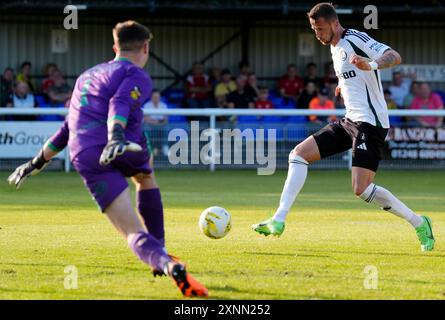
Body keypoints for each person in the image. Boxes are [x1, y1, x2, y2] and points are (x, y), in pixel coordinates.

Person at [7, 20, 208, 298]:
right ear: (146, 47)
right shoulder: (136, 73)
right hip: (123, 144)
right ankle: (161, 251)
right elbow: (120, 102)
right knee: (146, 175)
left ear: (115, 47)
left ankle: (166, 264)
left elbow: (67, 128)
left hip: (87, 152)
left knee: (132, 231)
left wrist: (36, 162)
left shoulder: (85, 77)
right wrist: (115, 136)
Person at [251, 3, 435, 252]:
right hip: (350, 120)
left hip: (370, 124)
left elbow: (394, 55)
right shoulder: (335, 48)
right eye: (314, 29)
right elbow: (351, 76)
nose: (317, 34)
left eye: (320, 28)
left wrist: (370, 65)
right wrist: (342, 86)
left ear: (334, 23)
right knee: (298, 155)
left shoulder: (355, 38)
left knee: (361, 189)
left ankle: (419, 222)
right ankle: (278, 219)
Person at [143, 89, 169, 157]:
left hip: (161, 125)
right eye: (154, 97)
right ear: (151, 97)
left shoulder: (164, 106)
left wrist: (157, 122)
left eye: (158, 97)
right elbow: (145, 119)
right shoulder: (147, 105)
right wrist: (157, 122)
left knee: (166, 127)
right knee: (146, 127)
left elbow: (166, 119)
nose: (156, 98)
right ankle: (150, 148)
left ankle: (165, 147)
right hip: (150, 125)